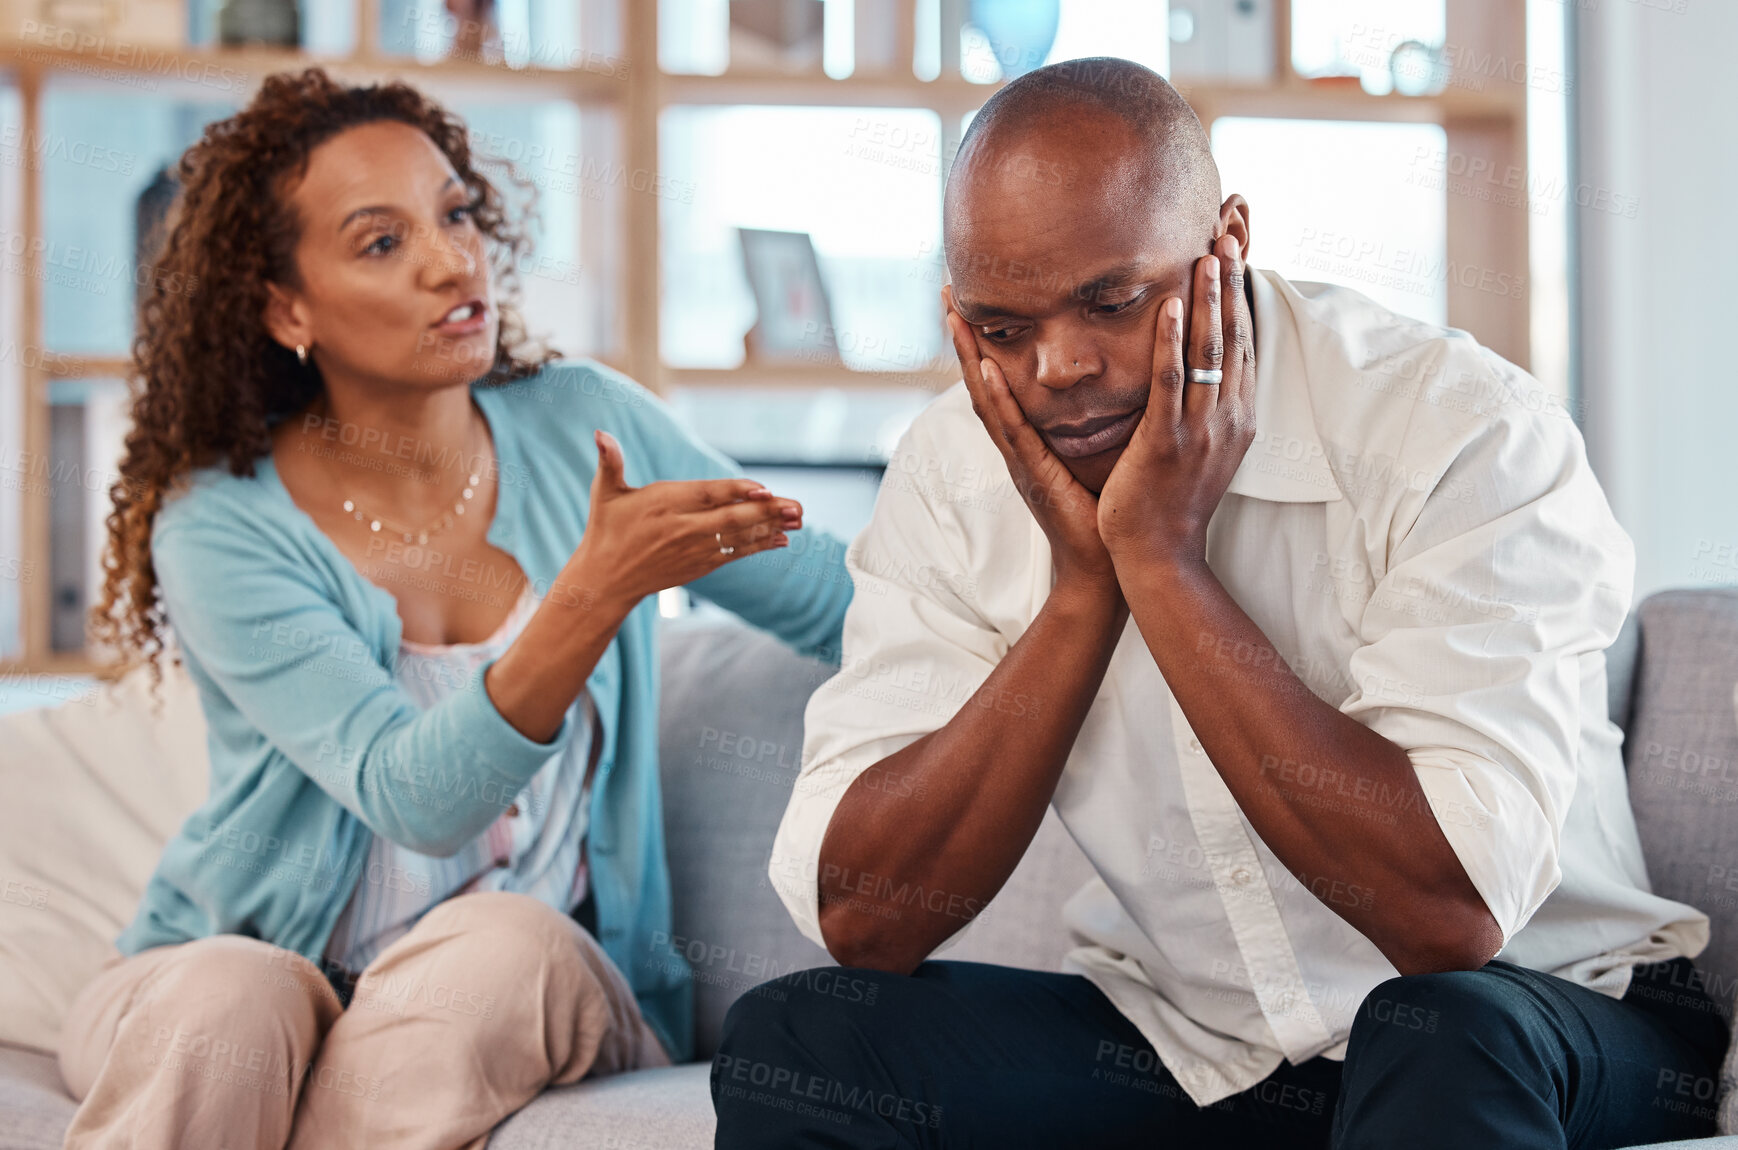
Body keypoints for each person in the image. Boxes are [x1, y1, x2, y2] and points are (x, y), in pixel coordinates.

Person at [714, 58, 1728, 1149]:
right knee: (804, 1041)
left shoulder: (1458, 430)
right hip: (1199, 1043)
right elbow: (866, 917)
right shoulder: (951, 472)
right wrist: (1080, 590)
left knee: (1439, 1030)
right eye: (1002, 330)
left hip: (1545, 1006)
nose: (1059, 367)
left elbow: (1446, 916)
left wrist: (1162, 558)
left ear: (1226, 245)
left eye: (1111, 302)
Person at [62, 67, 852, 1150]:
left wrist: (1077, 579)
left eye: (456, 212)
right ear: (285, 306)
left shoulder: (587, 427)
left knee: (500, 947)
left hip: (520, 983)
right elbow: (413, 794)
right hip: (238, 972)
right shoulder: (221, 526)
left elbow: (834, 600)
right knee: (230, 997)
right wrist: (596, 586)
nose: (453, 260)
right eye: (382, 242)